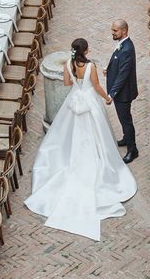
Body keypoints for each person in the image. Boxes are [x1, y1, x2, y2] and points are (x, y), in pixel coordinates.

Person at [24, 38, 137, 241]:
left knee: (68, 135)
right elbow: (95, 86)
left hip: (74, 101)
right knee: (97, 134)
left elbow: (67, 83)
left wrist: (76, 80)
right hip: (90, 103)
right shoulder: (91, 66)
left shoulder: (68, 64)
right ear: (86, 50)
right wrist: (107, 97)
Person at [105, 19, 140, 163]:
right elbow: (117, 61)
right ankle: (126, 138)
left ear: (123, 31)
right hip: (121, 92)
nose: (112, 32)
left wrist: (112, 94)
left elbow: (123, 75)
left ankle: (133, 150)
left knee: (126, 121)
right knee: (123, 119)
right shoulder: (123, 45)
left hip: (123, 94)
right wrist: (108, 69)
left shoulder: (127, 49)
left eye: (115, 30)